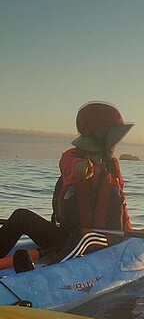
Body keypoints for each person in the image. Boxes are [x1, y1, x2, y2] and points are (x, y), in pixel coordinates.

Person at [0, 102, 137, 266]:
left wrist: (130, 233)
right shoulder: (71, 157)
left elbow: (122, 203)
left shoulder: (113, 165)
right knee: (21, 216)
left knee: (84, 236)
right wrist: (81, 168)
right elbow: (71, 167)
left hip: (107, 239)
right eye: (112, 137)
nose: (115, 143)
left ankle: (53, 269)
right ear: (98, 136)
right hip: (69, 237)